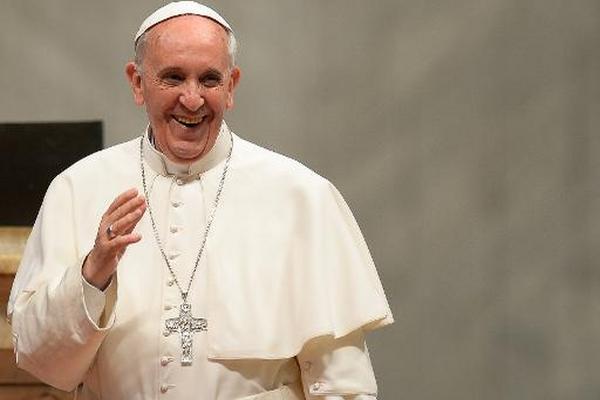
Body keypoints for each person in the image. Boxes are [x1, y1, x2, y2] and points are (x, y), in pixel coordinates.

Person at [7, 2, 393, 399]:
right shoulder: (77, 187)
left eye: (209, 80)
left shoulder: (302, 198)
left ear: (231, 86)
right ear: (137, 83)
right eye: (172, 78)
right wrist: (92, 276)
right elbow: (40, 359)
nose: (192, 100)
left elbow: (343, 385)